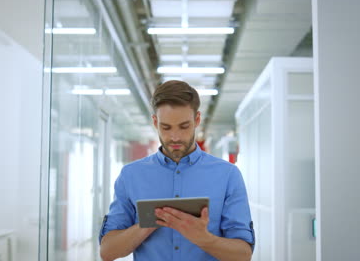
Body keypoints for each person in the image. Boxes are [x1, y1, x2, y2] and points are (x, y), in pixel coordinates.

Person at [99, 80, 254, 261]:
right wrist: (150, 222)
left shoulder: (228, 175)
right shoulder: (130, 176)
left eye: (184, 126)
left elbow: (243, 254)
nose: (175, 137)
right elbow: (107, 251)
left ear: (197, 120)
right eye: (166, 127)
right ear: (155, 122)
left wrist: (204, 239)